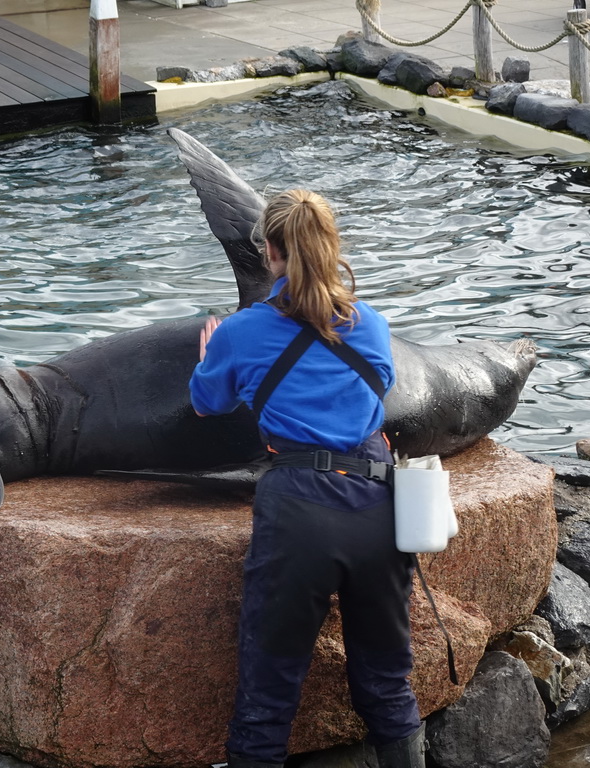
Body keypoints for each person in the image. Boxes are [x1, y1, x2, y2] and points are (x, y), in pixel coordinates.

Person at [188, 190, 426, 768]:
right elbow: (379, 388)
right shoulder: (371, 325)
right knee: (389, 684)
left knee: (268, 695)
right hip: (378, 504)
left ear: (270, 252)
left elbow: (206, 402)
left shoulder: (240, 332)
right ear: (329, 247)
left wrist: (208, 355)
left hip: (299, 511)